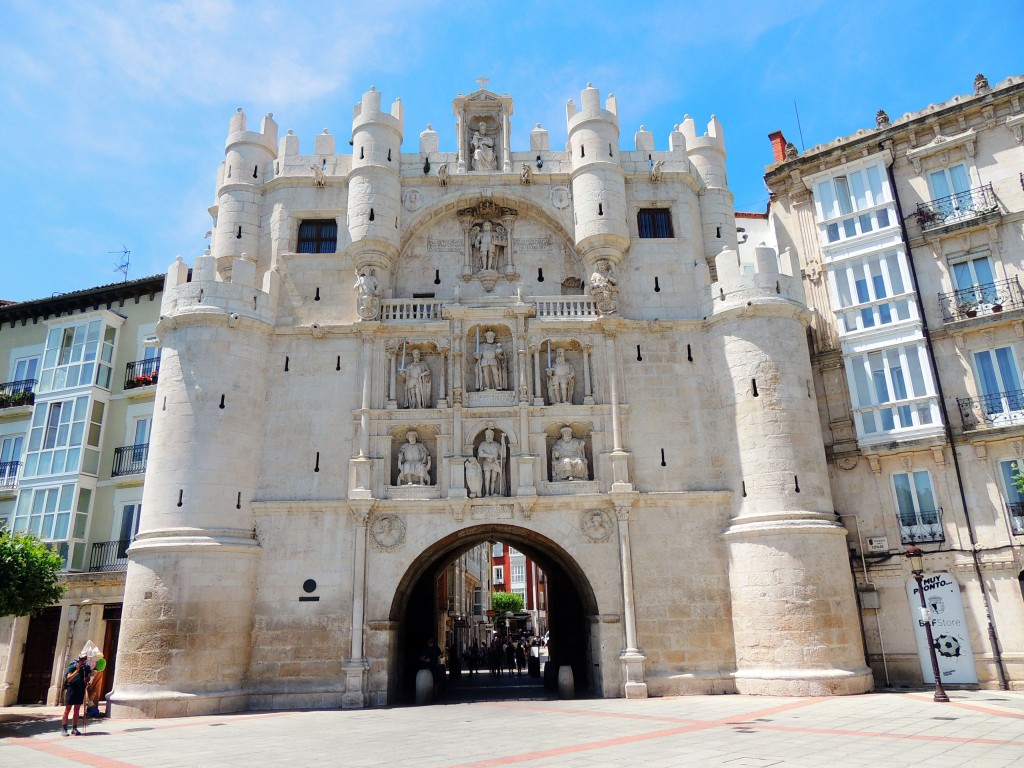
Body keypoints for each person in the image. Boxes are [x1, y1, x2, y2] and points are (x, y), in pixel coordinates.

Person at [61, 653, 92, 736]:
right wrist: (77, 671)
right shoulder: (73, 666)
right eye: (82, 659)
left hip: (80, 689)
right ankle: (64, 729)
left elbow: (88, 677)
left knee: (77, 709)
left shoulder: (86, 668)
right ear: (79, 659)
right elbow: (68, 678)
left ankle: (74, 728)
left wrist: (88, 680)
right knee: (67, 709)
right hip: (72, 689)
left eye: (85, 659)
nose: (83, 661)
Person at [476, 429, 504, 497]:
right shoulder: (483, 444)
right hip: (486, 463)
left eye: (490, 435)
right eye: (487, 435)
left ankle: (492, 493)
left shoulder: (496, 444)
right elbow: (480, 454)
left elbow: (502, 454)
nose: (488, 436)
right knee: (487, 477)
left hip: (495, 463)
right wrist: (490, 455)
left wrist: (503, 445)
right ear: (485, 436)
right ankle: (487, 493)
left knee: (493, 478)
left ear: (493, 436)